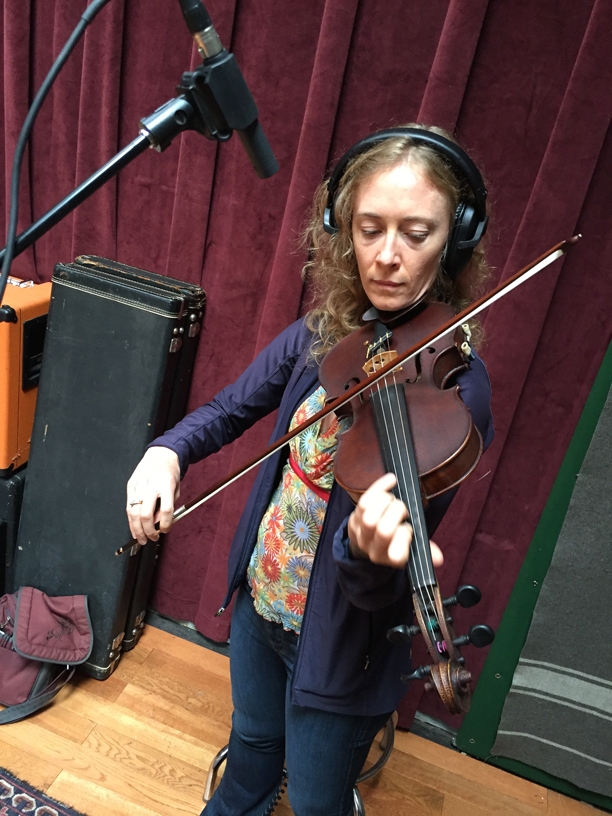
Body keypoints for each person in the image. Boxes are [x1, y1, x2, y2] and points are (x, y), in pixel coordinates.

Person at [126, 125, 494, 816]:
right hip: (263, 601)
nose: (387, 257)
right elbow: (231, 408)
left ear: (454, 239)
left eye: (416, 233)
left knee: (322, 800)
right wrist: (166, 450)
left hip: (342, 650)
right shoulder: (323, 333)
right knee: (251, 758)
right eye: (369, 228)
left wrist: (369, 553)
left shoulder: (456, 392)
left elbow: (370, 583)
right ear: (341, 229)